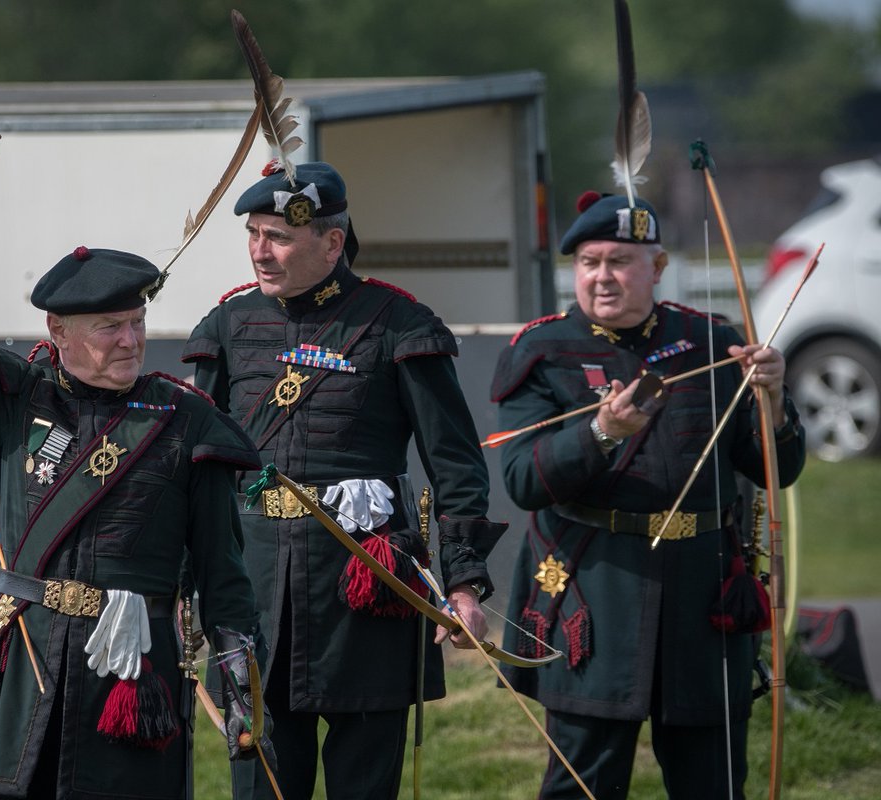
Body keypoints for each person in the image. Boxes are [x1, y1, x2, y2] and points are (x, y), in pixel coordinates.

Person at [0, 94, 270, 800]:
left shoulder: (187, 421)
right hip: (24, 669)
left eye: (136, 321)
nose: (129, 339)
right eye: (107, 327)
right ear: (59, 333)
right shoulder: (13, 397)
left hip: (129, 682)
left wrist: (239, 671)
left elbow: (224, 572)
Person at [182, 160, 505, 800]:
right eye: (253, 233)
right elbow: (197, 469)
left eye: (278, 237)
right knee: (262, 785)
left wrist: (464, 581)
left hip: (367, 589)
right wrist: (183, 583)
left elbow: (455, 463)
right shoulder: (227, 324)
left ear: (332, 242)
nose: (260, 251)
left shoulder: (400, 324)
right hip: (255, 592)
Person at [491, 190, 806, 799]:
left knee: (713, 783)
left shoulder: (711, 341)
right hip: (593, 591)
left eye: (619, 261)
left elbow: (776, 469)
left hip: (702, 597)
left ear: (657, 268)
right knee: (582, 785)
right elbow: (522, 481)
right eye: (588, 262)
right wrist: (601, 433)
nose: (602, 277)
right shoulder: (543, 349)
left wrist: (773, 398)